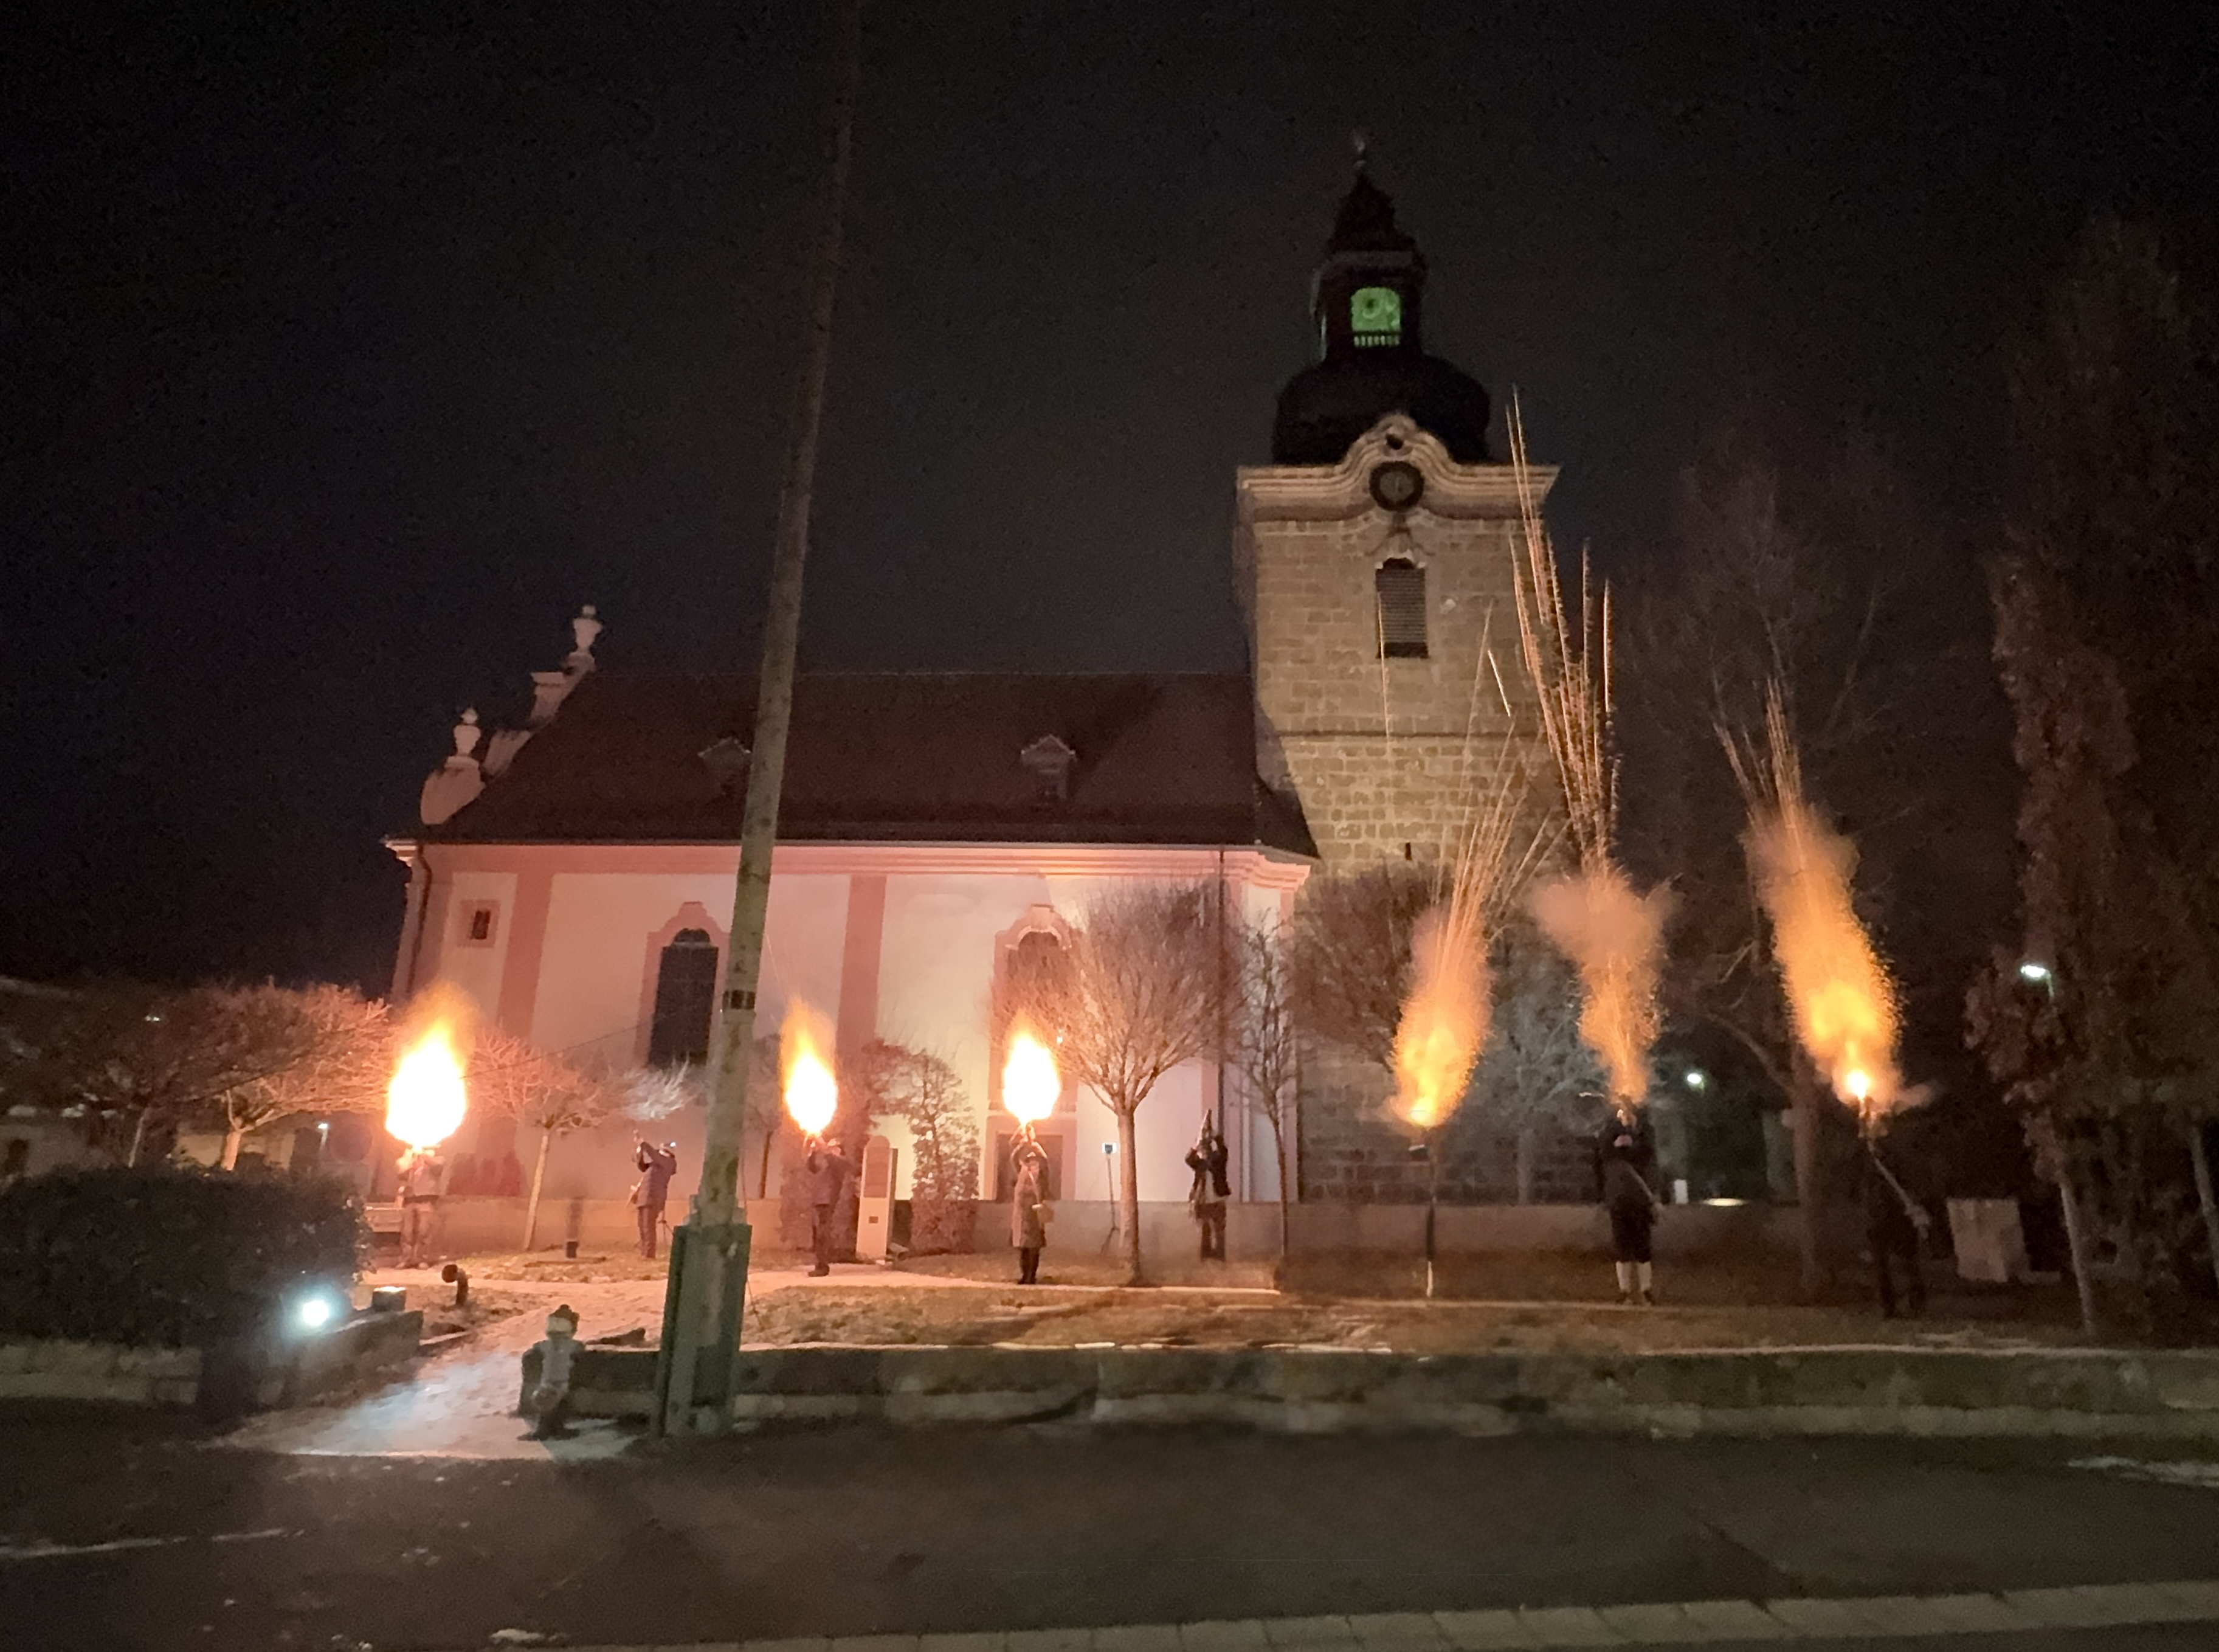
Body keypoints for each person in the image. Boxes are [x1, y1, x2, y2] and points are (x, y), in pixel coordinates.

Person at [1860, 1136, 1930, 1318]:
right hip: (1879, 1216)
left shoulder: (1895, 1159)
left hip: (1895, 1216)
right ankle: (1889, 1304)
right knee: (1886, 1264)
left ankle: (1911, 1301)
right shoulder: (1868, 1161)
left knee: (1906, 1262)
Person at [1600, 1127, 1659, 1305]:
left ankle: (1645, 1290)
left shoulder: (1640, 1157)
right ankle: (1624, 1291)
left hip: (1640, 1208)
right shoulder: (1610, 1157)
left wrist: (1636, 1126)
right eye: (1620, 1137)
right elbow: (1602, 1146)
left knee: (1643, 1251)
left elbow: (1648, 1147)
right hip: (1619, 1208)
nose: (1624, 1139)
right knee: (1622, 1250)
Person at [522, 1304, 581, 1440]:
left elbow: (535, 1348)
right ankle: (557, 1430)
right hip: (562, 1382)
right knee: (560, 1407)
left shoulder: (544, 1345)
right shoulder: (572, 1345)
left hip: (547, 1381)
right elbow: (580, 1350)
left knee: (546, 1407)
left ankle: (544, 1430)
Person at [803, 1135, 851, 1277]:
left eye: (833, 1147)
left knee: (823, 1236)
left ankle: (822, 1267)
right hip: (819, 1202)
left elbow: (828, 1154)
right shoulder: (827, 1165)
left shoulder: (841, 1162)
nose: (830, 1149)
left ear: (839, 1150)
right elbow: (811, 1167)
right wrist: (812, 1150)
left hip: (827, 1201)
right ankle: (820, 1264)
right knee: (818, 1236)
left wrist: (818, 1138)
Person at [1009, 1127, 1051, 1284]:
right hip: (1021, 1215)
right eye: (1030, 1162)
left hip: (1034, 1214)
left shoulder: (1041, 1177)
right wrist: (1022, 1144)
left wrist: (1034, 1145)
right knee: (1022, 1248)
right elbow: (1013, 1158)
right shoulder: (1021, 1171)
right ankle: (1024, 1275)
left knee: (1034, 1247)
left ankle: (1031, 1276)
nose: (1033, 1165)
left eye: (1035, 1162)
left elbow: (1045, 1160)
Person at [1185, 1121, 1231, 1262]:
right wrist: (1196, 1145)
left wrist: (1216, 1137)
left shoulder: (1218, 1161)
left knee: (1219, 1230)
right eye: (1201, 1152)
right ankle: (1205, 1255)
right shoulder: (1200, 1165)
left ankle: (1220, 1256)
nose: (1202, 1154)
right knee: (1205, 1230)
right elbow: (1188, 1159)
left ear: (1210, 1151)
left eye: (1204, 1151)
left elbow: (1223, 1151)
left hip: (1217, 1200)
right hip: (1204, 1202)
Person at [396, 1145, 446, 1269]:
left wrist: (424, 1156)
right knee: (407, 1232)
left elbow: (437, 1168)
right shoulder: (405, 1160)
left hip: (426, 1200)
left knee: (424, 1231)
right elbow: (401, 1173)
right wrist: (411, 1160)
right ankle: (406, 1259)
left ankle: (422, 1259)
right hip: (409, 1200)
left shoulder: (438, 1160)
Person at [631, 1138, 678, 1260]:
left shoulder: (669, 1162)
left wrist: (644, 1144)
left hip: (654, 1198)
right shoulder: (656, 1164)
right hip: (644, 1197)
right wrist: (640, 1153)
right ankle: (644, 1252)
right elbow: (642, 1167)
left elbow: (655, 1155)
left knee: (648, 1227)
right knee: (642, 1226)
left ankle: (649, 1254)